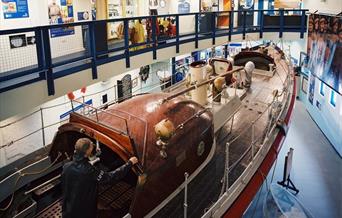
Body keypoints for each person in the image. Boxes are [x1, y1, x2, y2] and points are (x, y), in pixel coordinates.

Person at [62, 138, 138, 218]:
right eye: (91, 148)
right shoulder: (89, 170)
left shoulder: (66, 166)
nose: (93, 148)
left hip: (68, 208)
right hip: (84, 212)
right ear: (86, 152)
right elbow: (109, 178)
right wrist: (129, 163)